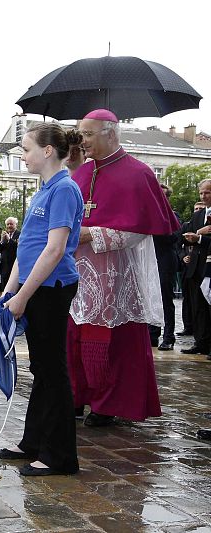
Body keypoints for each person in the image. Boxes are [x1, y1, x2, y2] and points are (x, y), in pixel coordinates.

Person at [67, 109, 180, 426]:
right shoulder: (80, 174)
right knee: (75, 337)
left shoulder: (139, 173)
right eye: (80, 133)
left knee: (113, 342)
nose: (82, 139)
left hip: (116, 274)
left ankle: (107, 403)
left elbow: (142, 228)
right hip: (79, 272)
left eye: (87, 133)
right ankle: (76, 395)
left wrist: (94, 234)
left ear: (110, 133)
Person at [0, 123, 84, 476]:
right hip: (35, 287)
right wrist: (10, 290)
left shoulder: (64, 189)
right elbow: (27, 246)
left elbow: (54, 250)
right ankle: (33, 442)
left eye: (26, 148)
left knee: (53, 371)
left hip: (51, 288)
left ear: (48, 151)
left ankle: (59, 455)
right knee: (41, 370)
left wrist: (23, 296)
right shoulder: (44, 189)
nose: (23, 154)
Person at [180, 180, 211, 358]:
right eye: (201, 193)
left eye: (207, 193)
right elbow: (186, 235)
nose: (203, 196)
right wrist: (192, 237)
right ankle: (201, 342)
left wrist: (198, 238)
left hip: (209, 266)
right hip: (195, 267)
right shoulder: (198, 216)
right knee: (197, 307)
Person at [149, 183, 180, 351]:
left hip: (165, 261)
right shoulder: (147, 214)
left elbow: (174, 237)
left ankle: (169, 336)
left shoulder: (173, 216)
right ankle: (153, 334)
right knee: (150, 298)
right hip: (149, 261)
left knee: (166, 300)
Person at [0, 217, 20, 288]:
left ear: (16, 225)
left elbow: (16, 248)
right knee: (4, 289)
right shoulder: (4, 235)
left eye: (11, 224)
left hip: (14, 267)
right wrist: (2, 241)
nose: (9, 226)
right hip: (4, 268)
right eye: (7, 224)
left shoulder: (20, 234)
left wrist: (9, 239)